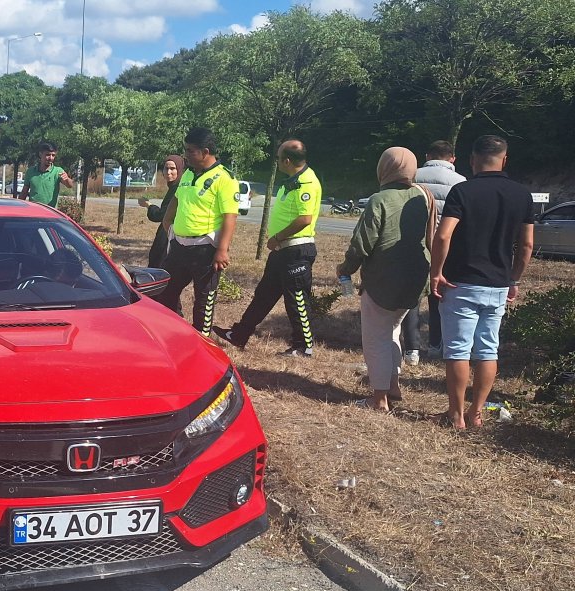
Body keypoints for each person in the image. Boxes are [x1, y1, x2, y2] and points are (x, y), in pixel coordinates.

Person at [429, 135, 534, 429]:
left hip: (461, 282)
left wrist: (436, 271)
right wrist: (514, 278)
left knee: (458, 350)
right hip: (499, 283)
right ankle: (476, 412)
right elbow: (526, 246)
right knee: (488, 349)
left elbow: (443, 235)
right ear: (505, 159)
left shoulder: (462, 191)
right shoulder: (521, 195)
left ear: (473, 160)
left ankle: (456, 414)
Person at [336, 147, 435, 411]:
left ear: (384, 167)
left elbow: (361, 244)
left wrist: (345, 268)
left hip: (384, 280)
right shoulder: (422, 196)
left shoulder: (379, 200)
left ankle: (378, 399)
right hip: (414, 281)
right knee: (393, 331)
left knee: (375, 338)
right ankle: (393, 385)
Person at [215, 139, 322, 357]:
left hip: (295, 250)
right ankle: (239, 334)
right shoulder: (293, 180)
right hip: (282, 251)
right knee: (263, 295)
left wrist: (278, 237)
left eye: (278, 158)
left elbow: (304, 219)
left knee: (297, 299)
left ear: (288, 160)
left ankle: (303, 346)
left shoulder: (307, 184)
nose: (277, 163)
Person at [152, 127, 239, 336]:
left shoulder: (224, 179)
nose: (187, 155)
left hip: (205, 249)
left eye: (191, 151)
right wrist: (167, 221)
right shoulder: (189, 173)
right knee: (166, 291)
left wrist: (222, 250)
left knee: (203, 299)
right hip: (179, 247)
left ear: (205, 152)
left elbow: (230, 217)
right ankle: (169, 332)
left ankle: (202, 339)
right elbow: (177, 199)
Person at [404, 140, 466, 364]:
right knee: (439, 297)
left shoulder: (412, 177)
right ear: (453, 159)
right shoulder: (461, 182)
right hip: (447, 246)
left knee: (412, 297)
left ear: (427, 155)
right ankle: (436, 345)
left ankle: (411, 349)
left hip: (414, 245)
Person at [139, 154, 185, 268]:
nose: (169, 172)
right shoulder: (175, 186)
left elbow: (161, 215)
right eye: (166, 168)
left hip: (171, 237)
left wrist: (148, 205)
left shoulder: (178, 188)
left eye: (173, 169)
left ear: (180, 169)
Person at [17, 141, 74, 207]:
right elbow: (24, 192)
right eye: (48, 155)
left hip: (50, 213)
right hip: (34, 212)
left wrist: (67, 179)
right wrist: (18, 208)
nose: (51, 158)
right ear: (40, 154)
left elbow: (70, 185)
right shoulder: (30, 171)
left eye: (53, 155)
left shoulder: (58, 171)